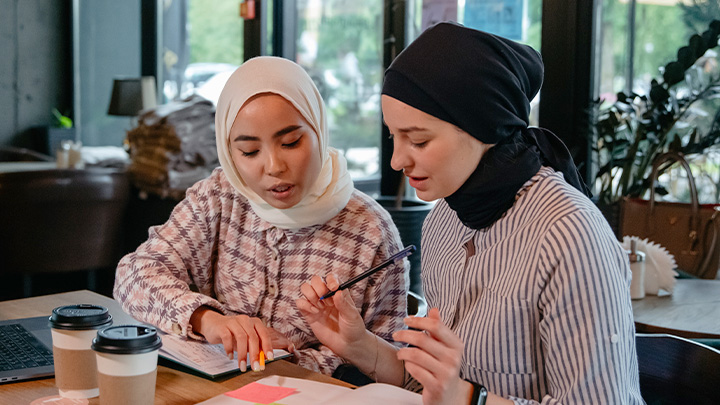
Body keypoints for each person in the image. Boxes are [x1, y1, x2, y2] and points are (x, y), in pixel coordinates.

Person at [297, 22, 644, 404]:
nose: (397, 159)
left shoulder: (570, 234)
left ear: (483, 126)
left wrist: (470, 398)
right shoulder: (443, 220)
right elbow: (432, 388)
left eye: (419, 140)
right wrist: (359, 344)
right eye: (394, 136)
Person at [114, 56, 409, 376]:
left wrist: (290, 359)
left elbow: (391, 368)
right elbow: (133, 274)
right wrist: (209, 320)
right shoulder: (220, 197)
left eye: (291, 142)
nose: (274, 167)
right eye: (250, 151)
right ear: (229, 152)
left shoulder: (370, 231)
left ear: (320, 130)